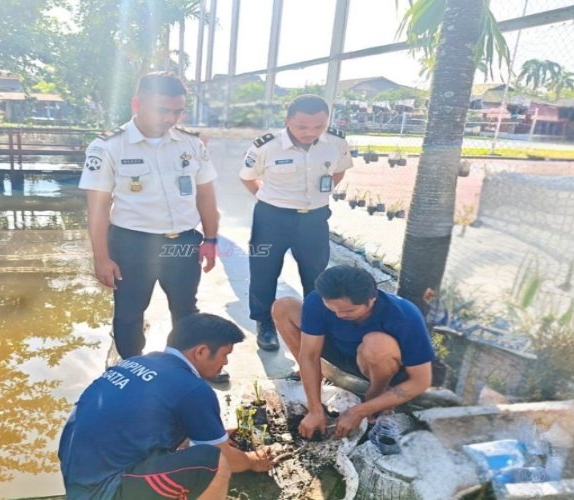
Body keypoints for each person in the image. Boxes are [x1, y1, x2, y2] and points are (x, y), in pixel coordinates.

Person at [79, 72, 223, 379]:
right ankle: (134, 370)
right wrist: (101, 257)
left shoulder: (191, 144)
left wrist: (211, 239)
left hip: (183, 242)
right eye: (162, 110)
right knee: (130, 312)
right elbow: (98, 208)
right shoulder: (108, 146)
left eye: (177, 111)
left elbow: (206, 195)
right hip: (132, 245)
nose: (170, 118)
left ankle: (186, 371)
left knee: (186, 310)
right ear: (137, 104)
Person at [58, 313, 275, 500]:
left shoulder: (137, 362)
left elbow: (143, 421)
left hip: (78, 477)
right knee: (213, 463)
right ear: (200, 351)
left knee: (202, 446)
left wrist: (213, 436)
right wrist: (252, 460)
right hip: (106, 490)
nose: (225, 363)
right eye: (224, 355)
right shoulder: (192, 388)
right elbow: (225, 457)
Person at [239, 94, 353, 352]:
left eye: (319, 126)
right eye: (302, 126)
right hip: (271, 219)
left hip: (314, 219)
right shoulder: (267, 146)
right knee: (263, 272)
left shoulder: (336, 142)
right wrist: (267, 199)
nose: (310, 132)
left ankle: (315, 322)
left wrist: (321, 195)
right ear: (288, 120)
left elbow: (339, 170)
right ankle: (264, 323)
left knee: (316, 274)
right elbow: (247, 176)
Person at [272, 265, 435, 440]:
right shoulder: (318, 300)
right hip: (340, 351)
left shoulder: (404, 315)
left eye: (349, 311)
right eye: (332, 308)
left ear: (372, 299)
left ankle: (375, 395)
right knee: (283, 306)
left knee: (377, 344)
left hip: (377, 365)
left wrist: (359, 411)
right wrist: (314, 409)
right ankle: (314, 376)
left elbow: (420, 382)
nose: (339, 315)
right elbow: (309, 355)